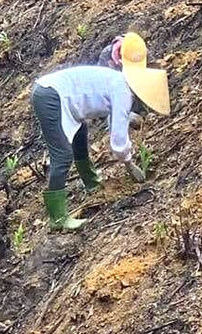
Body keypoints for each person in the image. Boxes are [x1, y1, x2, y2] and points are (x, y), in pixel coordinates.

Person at [30, 32, 169, 230]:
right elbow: (118, 142)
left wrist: (129, 118)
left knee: (80, 133)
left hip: (55, 92)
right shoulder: (123, 91)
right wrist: (129, 163)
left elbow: (108, 110)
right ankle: (58, 219)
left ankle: (91, 182)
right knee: (62, 155)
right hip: (51, 95)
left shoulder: (118, 82)